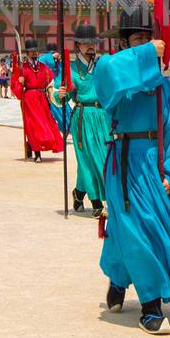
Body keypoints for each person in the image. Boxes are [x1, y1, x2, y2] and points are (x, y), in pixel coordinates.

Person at [95, 5, 170, 335]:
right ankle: (150, 305)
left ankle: (118, 278)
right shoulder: (114, 77)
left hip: (154, 164)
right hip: (124, 162)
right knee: (138, 226)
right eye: (137, 39)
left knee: (147, 228)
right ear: (125, 45)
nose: (146, 45)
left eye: (149, 39)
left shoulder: (163, 87)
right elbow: (105, 76)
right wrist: (146, 55)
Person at [63, 23, 107, 216]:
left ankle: (79, 192)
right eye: (86, 43)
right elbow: (59, 94)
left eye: (93, 43)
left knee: (103, 157)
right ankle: (97, 202)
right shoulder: (71, 69)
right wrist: (61, 93)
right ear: (78, 45)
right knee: (89, 159)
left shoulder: (102, 66)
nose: (91, 47)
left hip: (102, 117)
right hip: (83, 118)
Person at [9, 39, 63, 162]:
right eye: (31, 52)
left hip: (41, 98)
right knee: (32, 125)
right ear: (27, 53)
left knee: (44, 124)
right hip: (28, 99)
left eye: (36, 51)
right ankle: (36, 152)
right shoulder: (23, 68)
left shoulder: (43, 67)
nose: (34, 54)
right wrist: (19, 82)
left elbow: (51, 79)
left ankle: (32, 145)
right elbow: (15, 85)